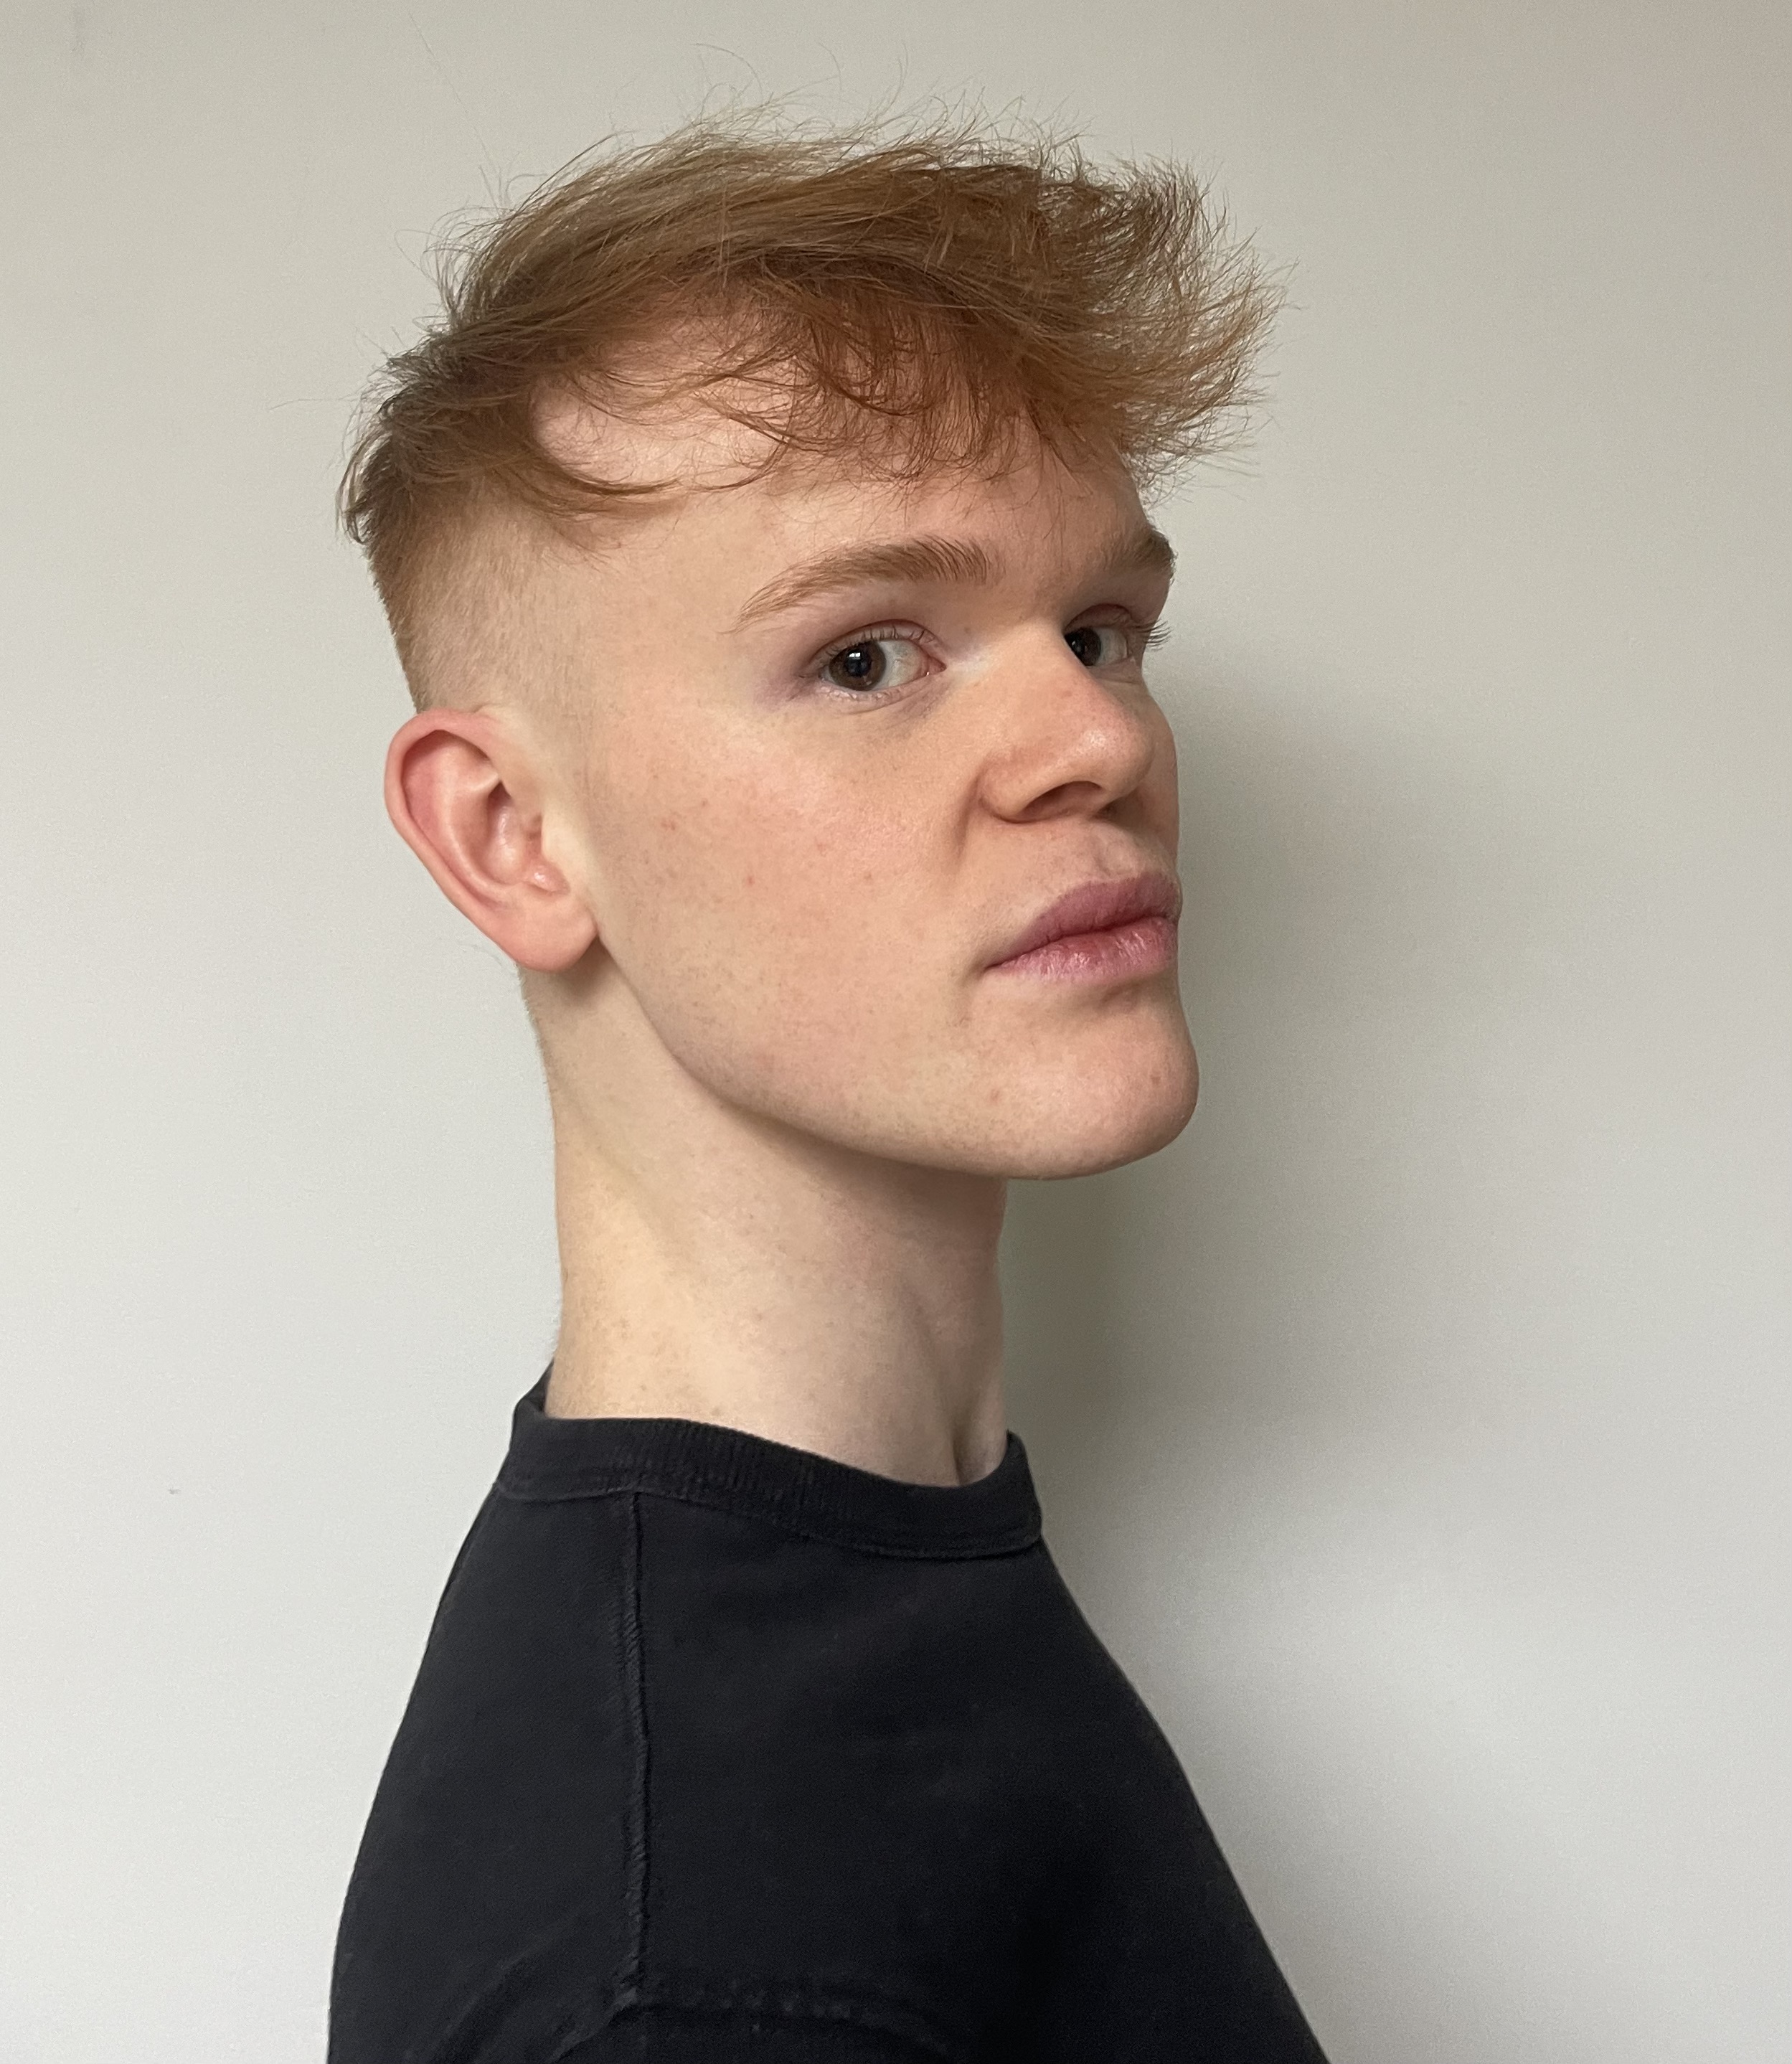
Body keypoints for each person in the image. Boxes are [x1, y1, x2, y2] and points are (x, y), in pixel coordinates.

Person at [328, 112, 1328, 2064]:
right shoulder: (688, 1965)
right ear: (512, 835)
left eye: (1099, 629)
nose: (1093, 737)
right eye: (866, 656)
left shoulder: (872, 1574)